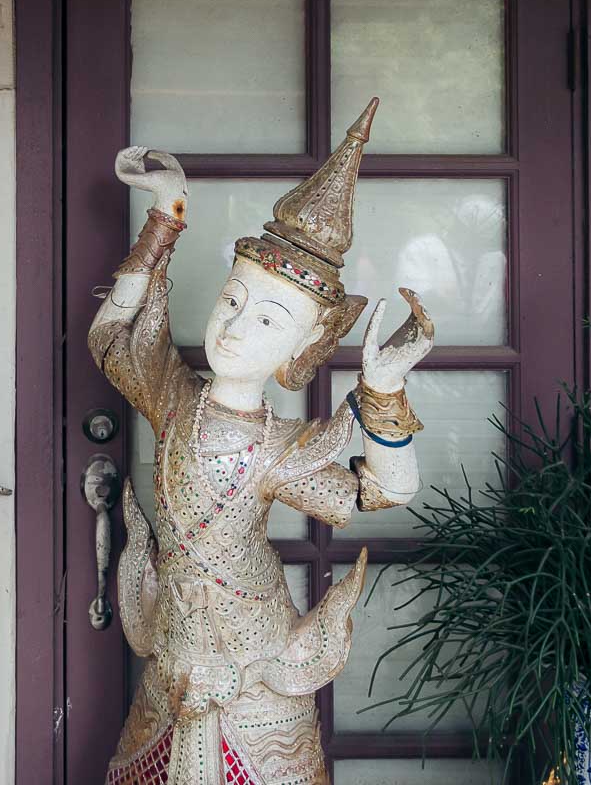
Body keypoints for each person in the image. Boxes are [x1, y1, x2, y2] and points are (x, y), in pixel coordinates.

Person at [92, 100, 436, 785]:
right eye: (232, 301)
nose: (235, 327)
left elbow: (388, 489)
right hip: (175, 653)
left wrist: (385, 393)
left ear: (303, 348)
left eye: (268, 318)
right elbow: (110, 339)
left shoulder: (282, 448)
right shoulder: (174, 396)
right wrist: (166, 216)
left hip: (255, 662)